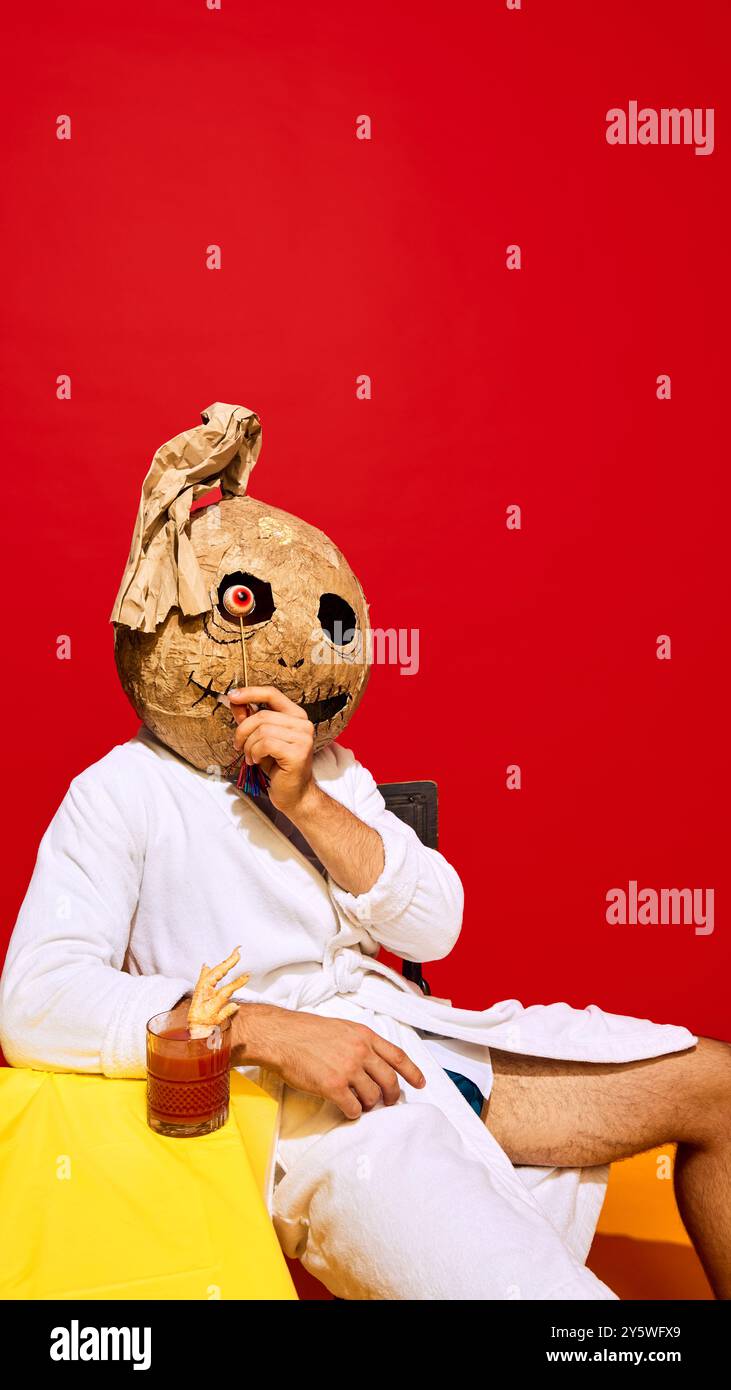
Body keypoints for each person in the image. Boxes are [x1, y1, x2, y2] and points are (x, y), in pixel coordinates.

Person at [1, 404, 728, 1301]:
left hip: (422, 1050)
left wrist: (305, 798)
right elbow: (36, 998)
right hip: (307, 1117)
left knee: (719, 1086)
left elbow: (437, 930)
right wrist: (258, 1028)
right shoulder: (120, 790)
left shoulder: (333, 773)